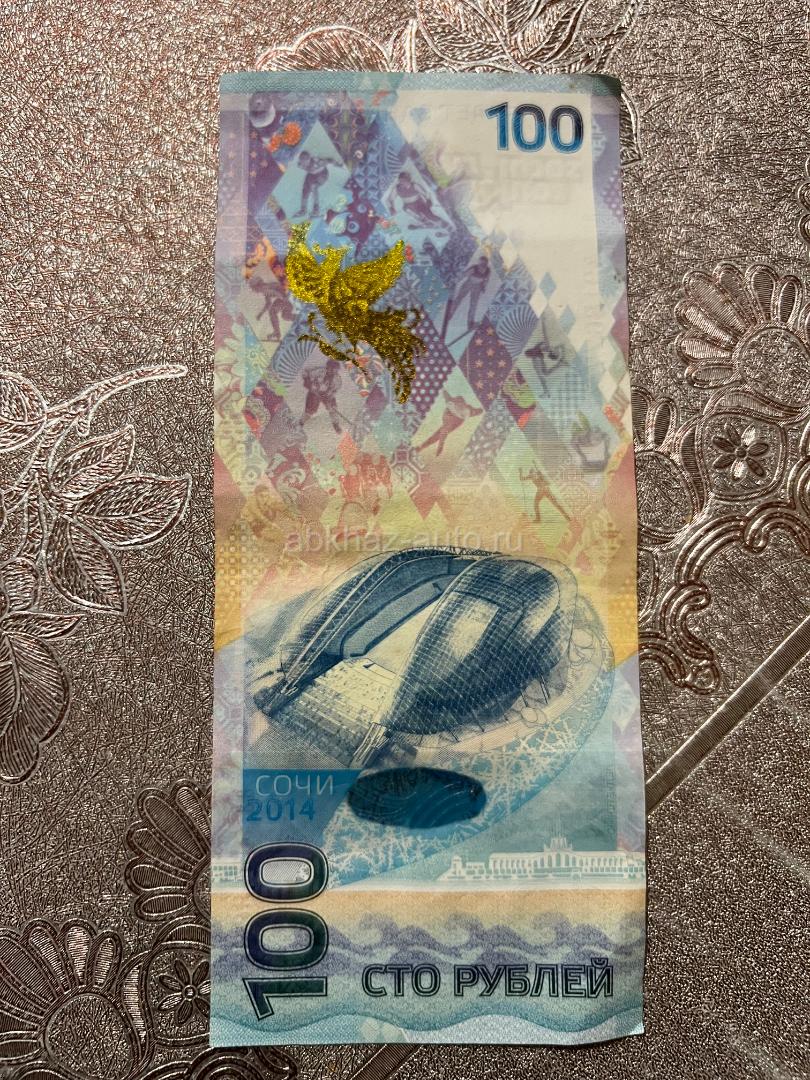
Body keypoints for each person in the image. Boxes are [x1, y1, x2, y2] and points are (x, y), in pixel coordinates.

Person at [415, 388, 483, 457]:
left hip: (455, 414)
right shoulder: (455, 414)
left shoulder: (459, 407)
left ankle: (421, 447)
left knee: (441, 432)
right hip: (454, 415)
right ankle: (421, 447)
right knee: (442, 432)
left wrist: (440, 445)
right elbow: (443, 432)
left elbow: (447, 396)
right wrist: (440, 445)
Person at [441, 254, 491, 338]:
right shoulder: (474, 268)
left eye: (483, 265)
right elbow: (464, 275)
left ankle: (470, 322)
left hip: (477, 286)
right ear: (479, 264)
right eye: (480, 264)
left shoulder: (488, 271)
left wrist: (484, 286)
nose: (481, 267)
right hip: (469, 283)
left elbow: (486, 279)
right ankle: (450, 314)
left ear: (485, 265)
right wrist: (456, 281)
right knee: (459, 298)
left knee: (473, 304)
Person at [297, 150, 340, 217]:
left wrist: (337, 164)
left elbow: (329, 160)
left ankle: (316, 209)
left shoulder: (316, 162)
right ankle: (303, 209)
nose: (304, 164)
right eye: (302, 162)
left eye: (305, 161)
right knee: (305, 189)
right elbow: (302, 166)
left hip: (322, 176)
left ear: (309, 159)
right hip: (311, 175)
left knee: (314, 187)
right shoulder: (301, 165)